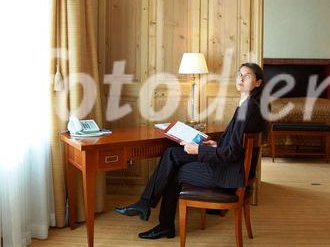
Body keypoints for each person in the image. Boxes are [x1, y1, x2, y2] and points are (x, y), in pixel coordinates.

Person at [114, 62, 267, 239]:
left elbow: (232, 153)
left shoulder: (248, 109)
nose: (241, 78)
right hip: (231, 167)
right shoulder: (248, 105)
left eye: (247, 76)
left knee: (175, 171)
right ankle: (146, 205)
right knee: (171, 153)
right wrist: (214, 145)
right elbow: (235, 145)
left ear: (258, 83)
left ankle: (161, 221)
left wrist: (198, 151)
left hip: (228, 173)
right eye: (239, 74)